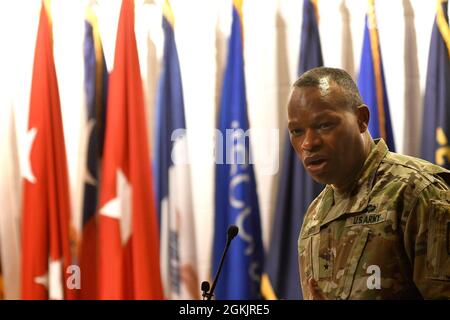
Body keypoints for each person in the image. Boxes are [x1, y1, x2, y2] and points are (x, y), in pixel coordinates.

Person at [288, 66, 450, 299]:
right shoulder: (315, 216)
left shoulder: (419, 192)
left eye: (324, 125)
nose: (308, 143)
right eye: (297, 131)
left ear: (361, 120)